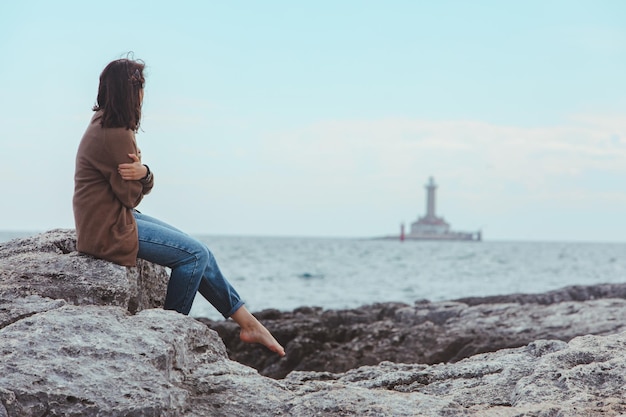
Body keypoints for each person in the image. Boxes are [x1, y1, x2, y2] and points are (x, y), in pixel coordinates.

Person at [73, 57, 285, 357]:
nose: (144, 94)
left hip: (112, 218)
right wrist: (145, 175)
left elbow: (132, 190)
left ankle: (249, 323)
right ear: (130, 92)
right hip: (108, 228)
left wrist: (144, 173)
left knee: (201, 252)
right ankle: (168, 331)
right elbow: (131, 196)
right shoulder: (116, 134)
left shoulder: (104, 122)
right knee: (193, 256)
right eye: (141, 87)